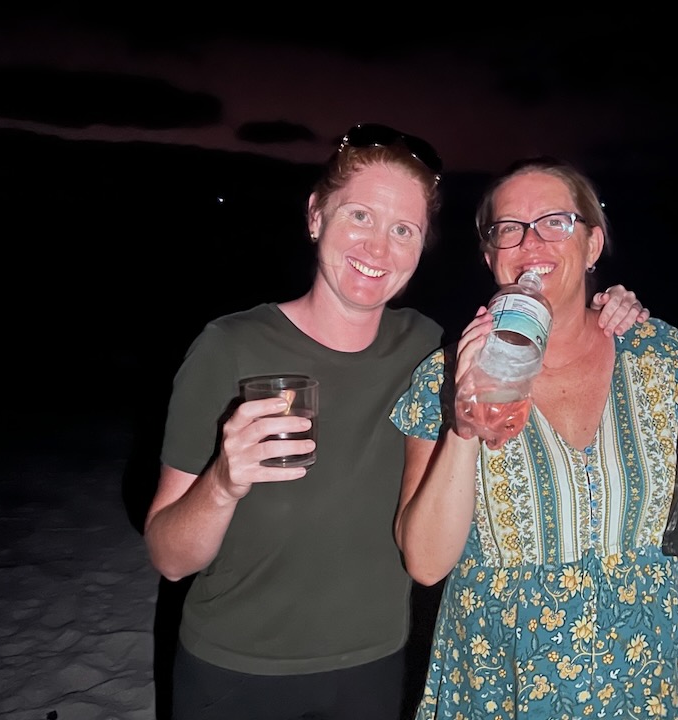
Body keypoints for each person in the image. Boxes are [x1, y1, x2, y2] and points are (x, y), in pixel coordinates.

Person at [142, 124, 651, 720]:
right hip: (235, 670)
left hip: (375, 669)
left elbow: (535, 336)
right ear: (315, 217)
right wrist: (223, 483)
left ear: (420, 247)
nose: (378, 248)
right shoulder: (229, 347)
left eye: (402, 230)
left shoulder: (429, 351)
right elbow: (170, 556)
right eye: (359, 215)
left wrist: (604, 305)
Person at [390, 156, 678, 719]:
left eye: (556, 221)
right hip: (504, 684)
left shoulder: (659, 354)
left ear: (593, 244)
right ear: (490, 256)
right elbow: (427, 563)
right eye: (510, 229)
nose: (532, 243)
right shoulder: (443, 374)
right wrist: (466, 415)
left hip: (645, 681)